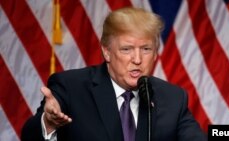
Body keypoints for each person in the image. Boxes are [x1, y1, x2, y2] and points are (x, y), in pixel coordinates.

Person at [21, 7, 207, 141]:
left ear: (156, 52)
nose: (137, 59)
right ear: (107, 52)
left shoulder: (172, 97)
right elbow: (28, 137)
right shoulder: (71, 87)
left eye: (146, 49)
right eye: (127, 49)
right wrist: (48, 123)